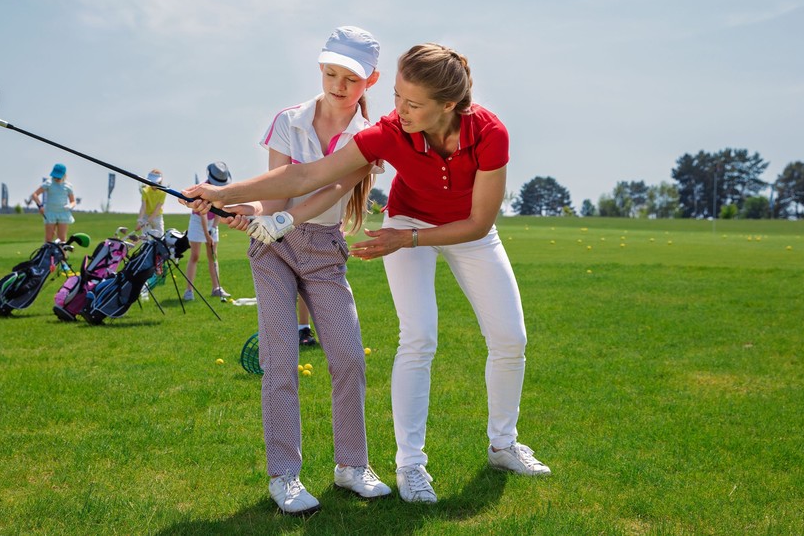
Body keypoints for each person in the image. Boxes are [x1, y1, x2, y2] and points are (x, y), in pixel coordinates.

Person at [183, 43, 551, 505]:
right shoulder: (388, 132)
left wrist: (407, 242)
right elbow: (305, 178)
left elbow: (478, 223)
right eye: (397, 97)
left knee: (510, 338)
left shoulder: (490, 133)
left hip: (465, 231)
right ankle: (411, 466)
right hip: (408, 221)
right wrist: (224, 192)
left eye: (413, 104)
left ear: (449, 106)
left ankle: (503, 444)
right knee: (419, 336)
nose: (399, 111)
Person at [195, 26, 390, 515]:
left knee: (348, 358)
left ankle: (351, 466)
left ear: (371, 81)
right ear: (319, 69)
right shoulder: (289, 121)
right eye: (330, 73)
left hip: (324, 247)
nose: (338, 86)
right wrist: (250, 214)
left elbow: (326, 189)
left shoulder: (369, 137)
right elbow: (278, 192)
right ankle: (285, 476)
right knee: (280, 361)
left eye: (351, 78)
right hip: (274, 250)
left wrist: (249, 203)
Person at [184, 162, 232, 301]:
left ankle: (216, 288)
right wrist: (207, 234)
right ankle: (189, 291)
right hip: (198, 221)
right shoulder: (202, 190)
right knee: (195, 256)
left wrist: (214, 228)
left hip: (212, 223)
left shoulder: (221, 191)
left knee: (213, 255)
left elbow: (219, 211)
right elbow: (203, 214)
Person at [29, 163, 76, 243]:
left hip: (63, 214)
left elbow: (73, 201)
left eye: (58, 176)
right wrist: (40, 206)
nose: (56, 178)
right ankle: (47, 255)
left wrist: (70, 206)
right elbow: (34, 195)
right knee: (48, 239)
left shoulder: (68, 186)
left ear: (64, 175)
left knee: (62, 240)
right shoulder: (48, 183)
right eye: (55, 176)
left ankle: (62, 255)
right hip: (50, 213)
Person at [136, 169, 166, 237]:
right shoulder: (145, 190)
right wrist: (140, 221)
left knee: (161, 238)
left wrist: (147, 222)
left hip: (157, 216)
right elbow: (143, 207)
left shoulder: (163, 192)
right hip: (146, 215)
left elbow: (157, 209)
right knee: (145, 238)